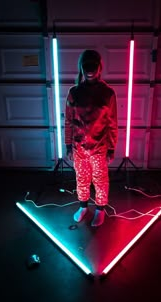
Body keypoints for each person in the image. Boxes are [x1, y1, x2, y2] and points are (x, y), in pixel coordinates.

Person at [64, 49, 118, 227]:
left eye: (93, 66)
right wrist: (68, 145)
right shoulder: (74, 92)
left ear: (99, 67)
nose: (90, 70)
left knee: (100, 179)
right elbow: (69, 121)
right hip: (79, 148)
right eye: (86, 66)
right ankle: (83, 207)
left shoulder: (108, 93)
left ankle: (100, 210)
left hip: (99, 147)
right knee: (81, 178)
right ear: (81, 67)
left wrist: (111, 147)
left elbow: (112, 123)